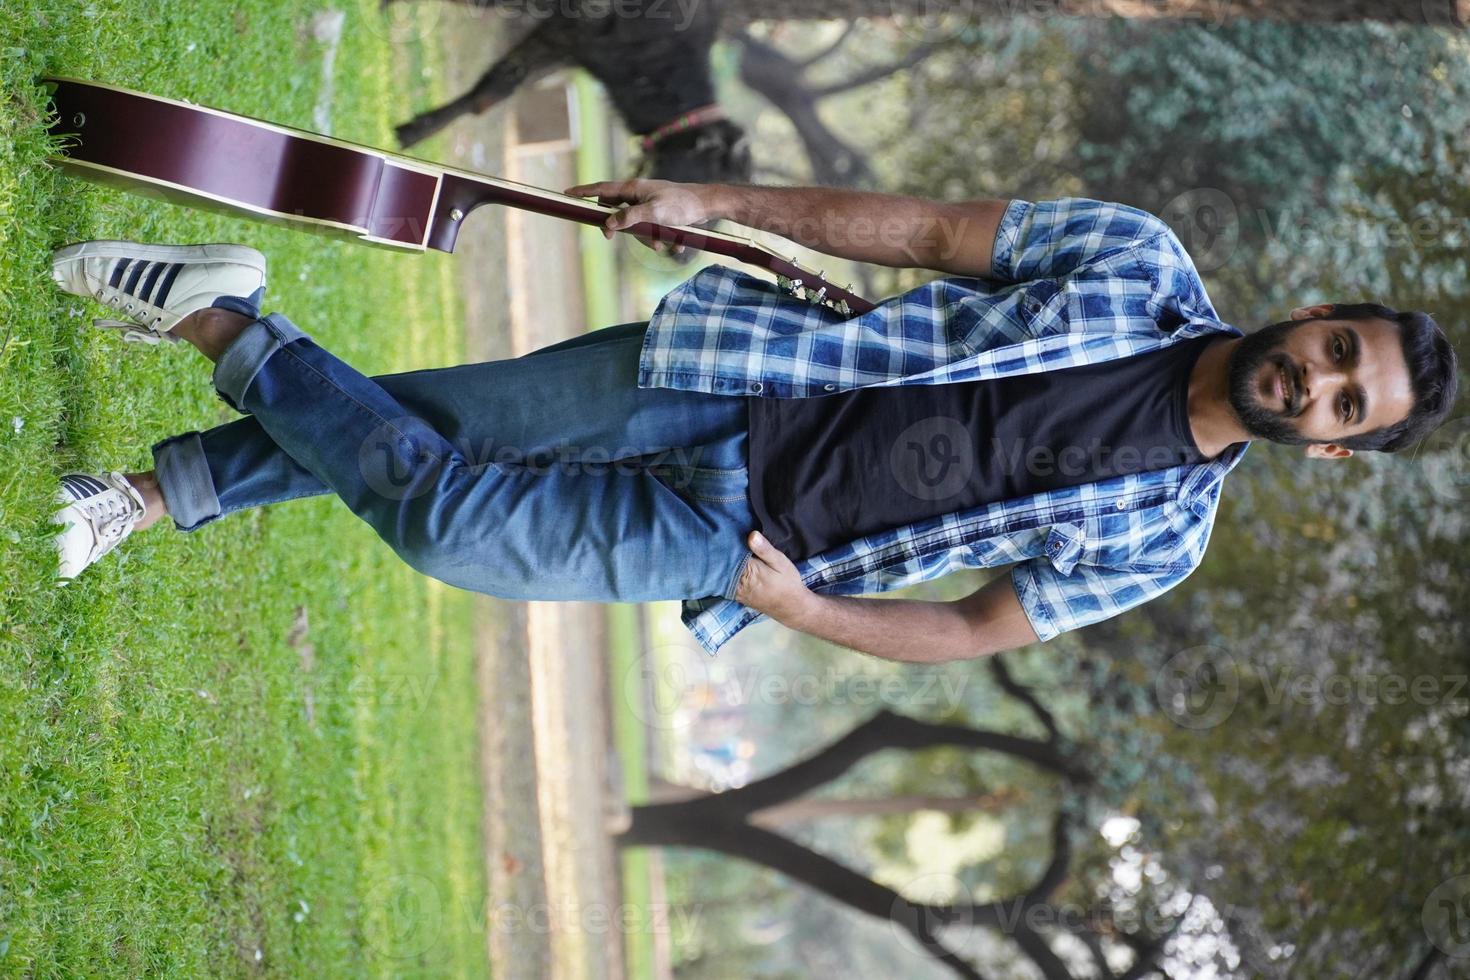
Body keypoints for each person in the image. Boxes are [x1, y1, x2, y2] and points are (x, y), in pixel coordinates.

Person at [51, 181, 1459, 662]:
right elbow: (917, 230)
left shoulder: (1164, 542)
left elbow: (975, 627)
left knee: (443, 520)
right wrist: (722, 205)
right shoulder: (1138, 261)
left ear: (1332, 446)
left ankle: (218, 319)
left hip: (736, 539)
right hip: (730, 373)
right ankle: (155, 494)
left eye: (1343, 402)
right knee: (428, 421)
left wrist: (802, 614)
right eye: (1337, 349)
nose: (1313, 380)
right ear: (1321, 312)